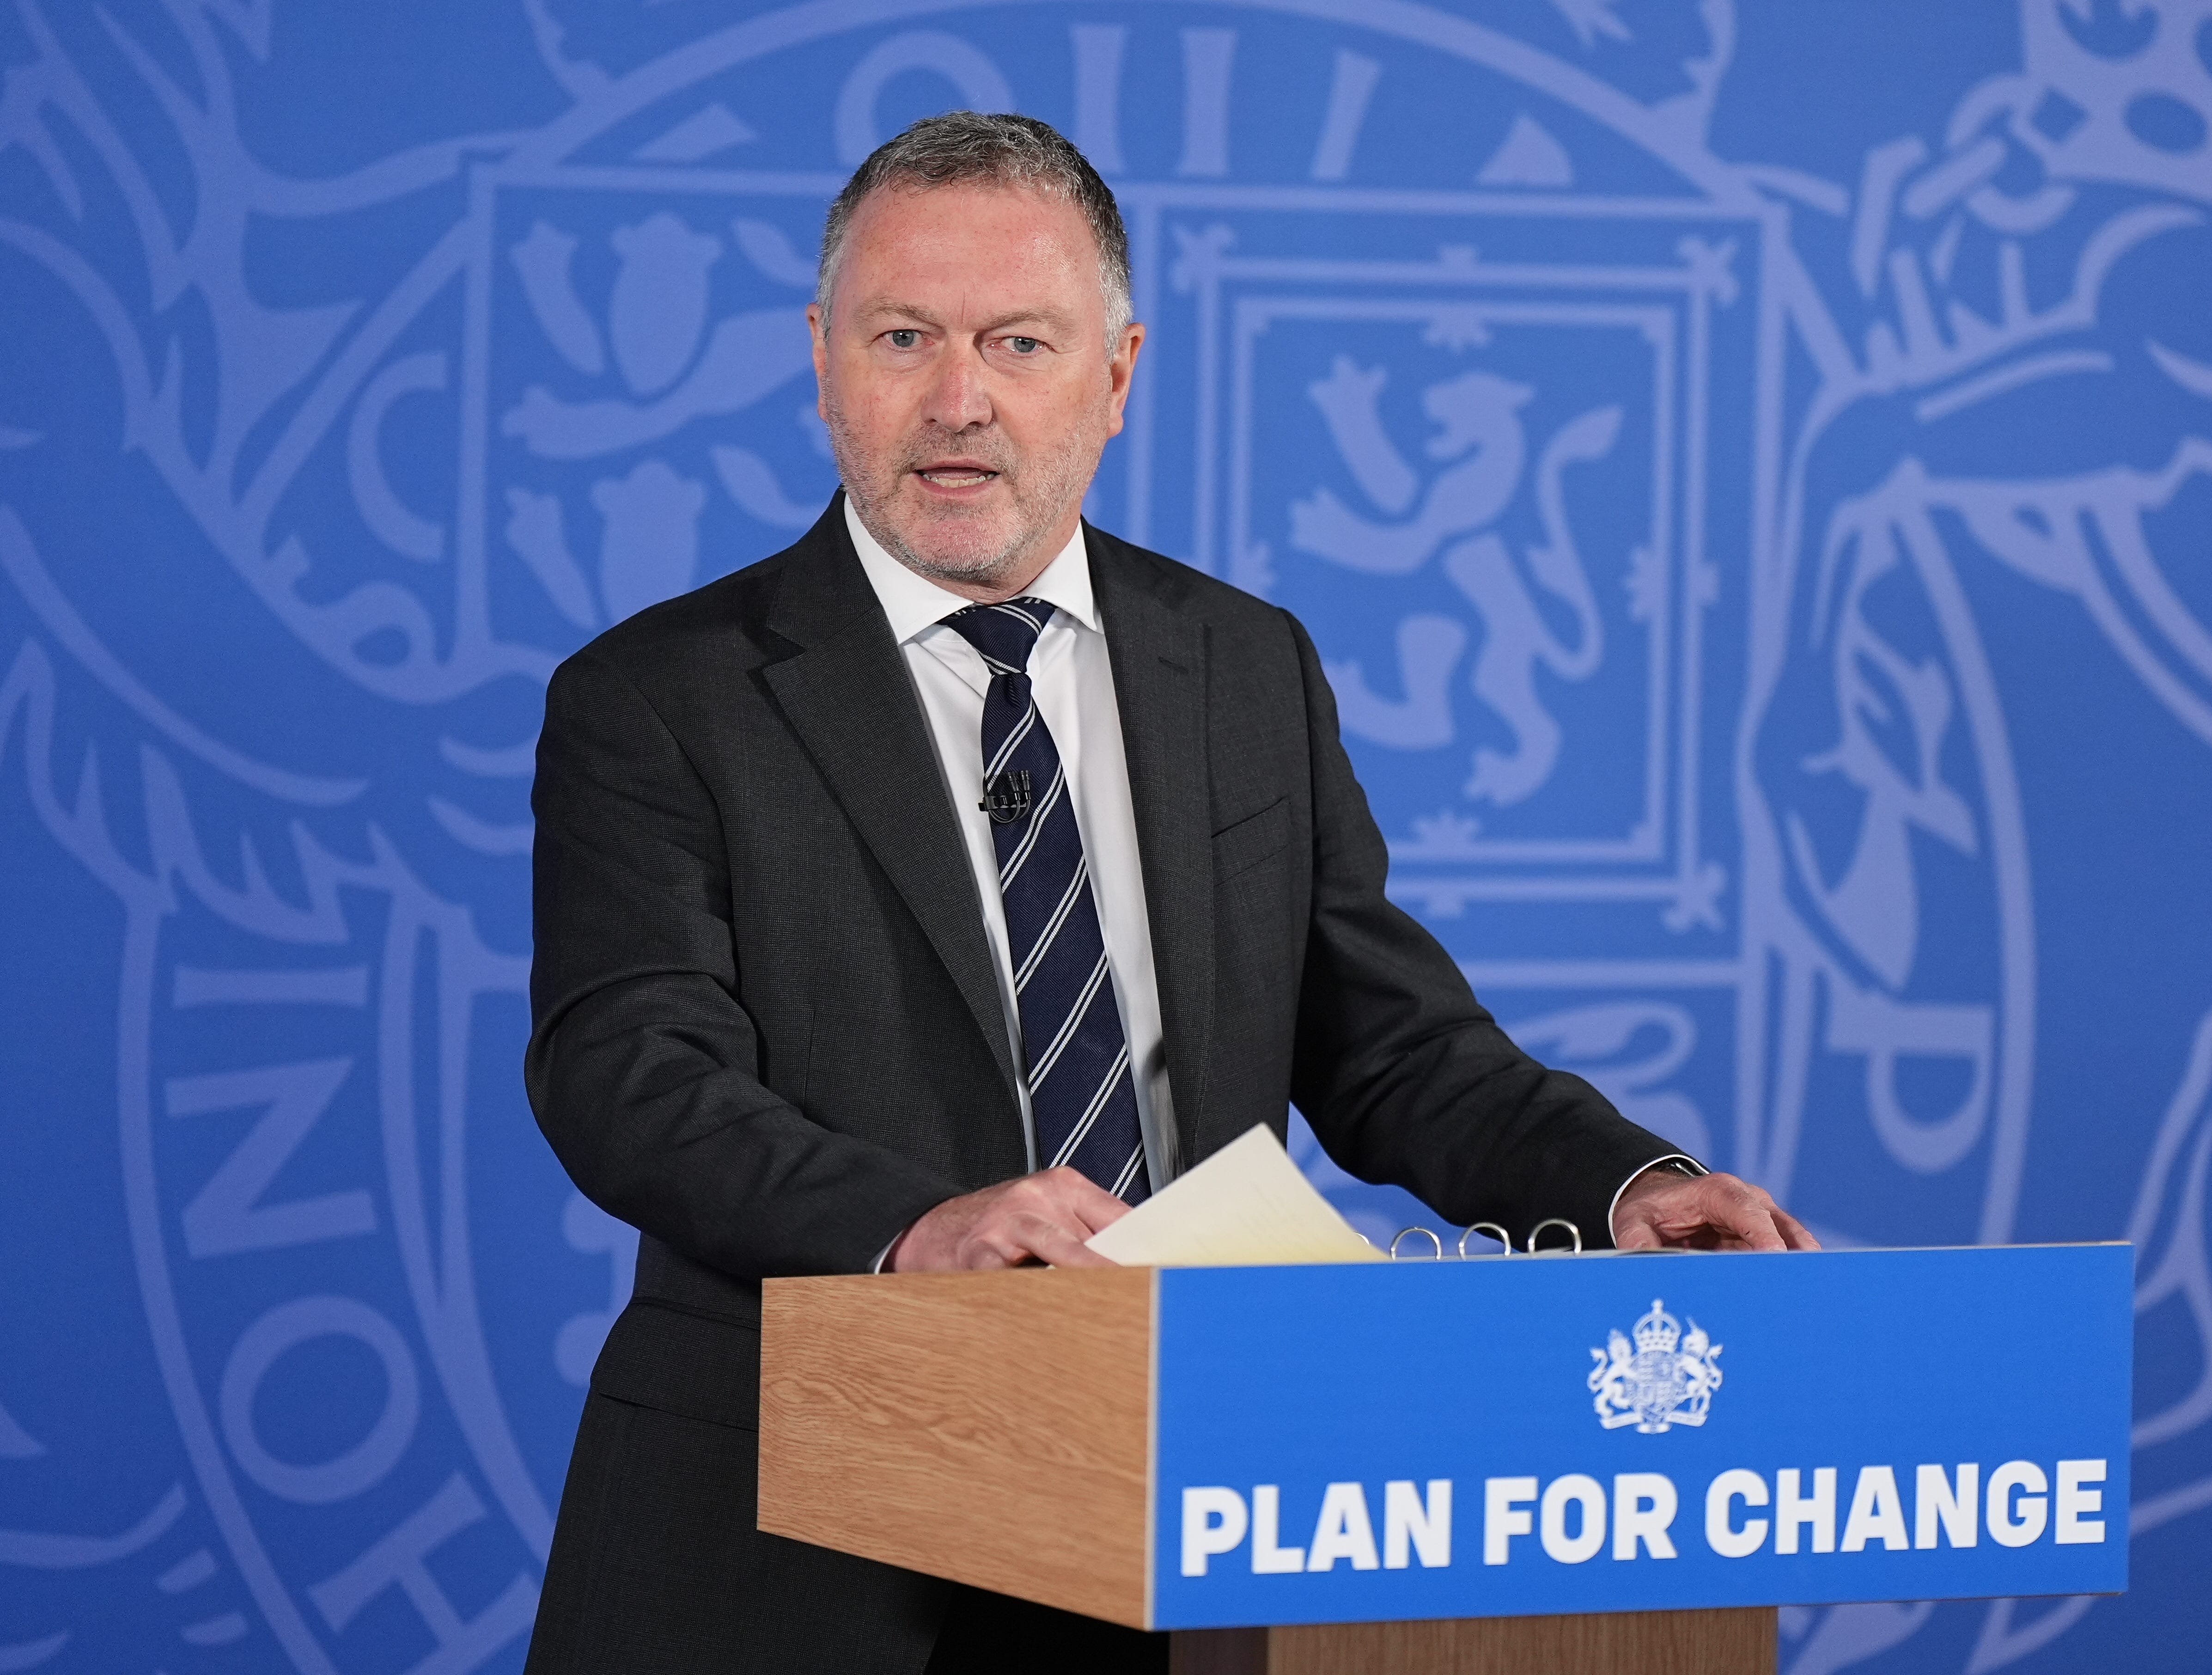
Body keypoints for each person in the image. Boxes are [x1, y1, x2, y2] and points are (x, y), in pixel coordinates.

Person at [521, 110, 1816, 1675]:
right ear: (821, 359)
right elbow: (628, 1071)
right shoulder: (659, 696)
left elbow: (1392, 1047)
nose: (958, 399)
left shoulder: (1243, 664)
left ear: (1118, 374)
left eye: (1019, 342)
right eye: (903, 337)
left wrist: (1620, 1186)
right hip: (795, 1539)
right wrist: (913, 1230)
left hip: (1189, 1520)